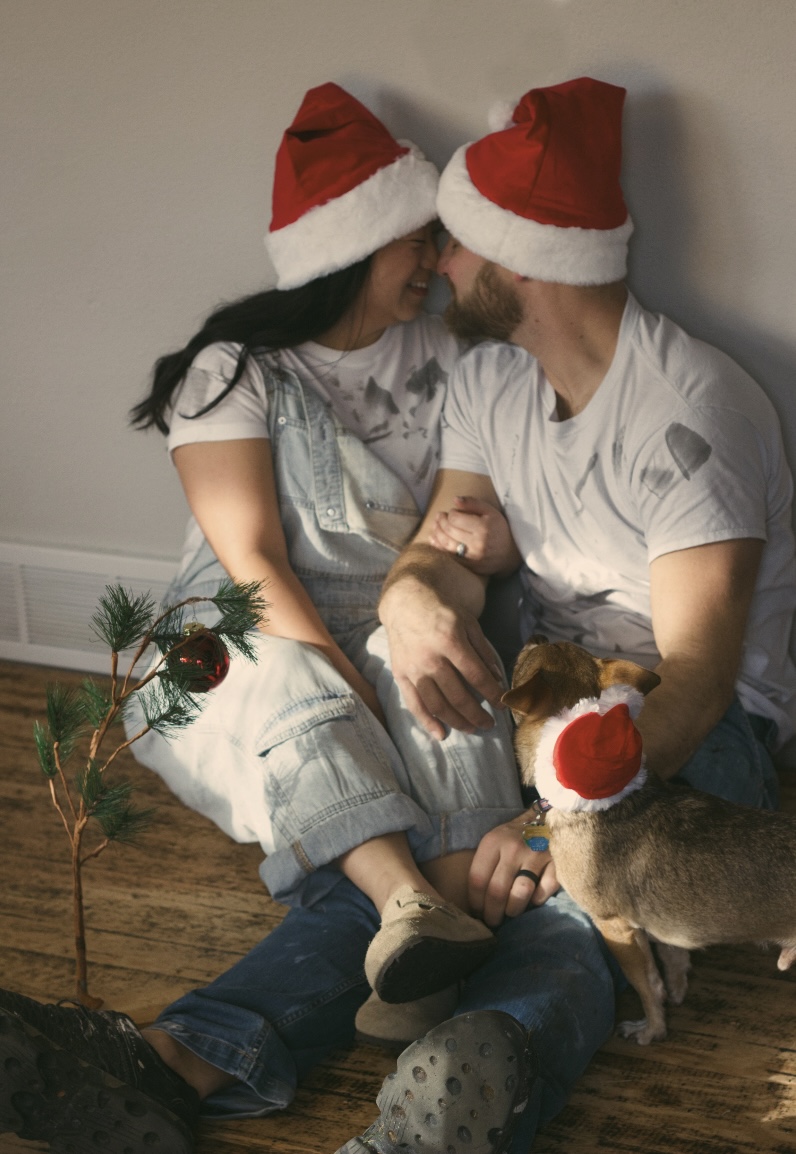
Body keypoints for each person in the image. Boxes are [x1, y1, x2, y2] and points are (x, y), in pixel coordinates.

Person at [4, 74, 792, 1154]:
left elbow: (697, 678)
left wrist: (550, 815)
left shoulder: (691, 411)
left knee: (576, 894)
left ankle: (471, 1081)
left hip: (688, 734)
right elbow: (439, 551)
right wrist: (415, 598)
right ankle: (178, 1058)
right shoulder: (494, 384)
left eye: (458, 241)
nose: (442, 264)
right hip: (550, 703)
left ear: (522, 258)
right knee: (426, 872)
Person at [121, 79, 530, 1014]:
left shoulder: (456, 358)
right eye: (415, 239)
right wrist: (361, 699)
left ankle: (440, 944)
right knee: (285, 675)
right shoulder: (233, 372)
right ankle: (406, 903)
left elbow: (475, 527)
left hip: (390, 610)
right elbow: (254, 567)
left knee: (446, 673)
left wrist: (494, 549)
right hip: (242, 631)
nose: (435, 261)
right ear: (352, 245)